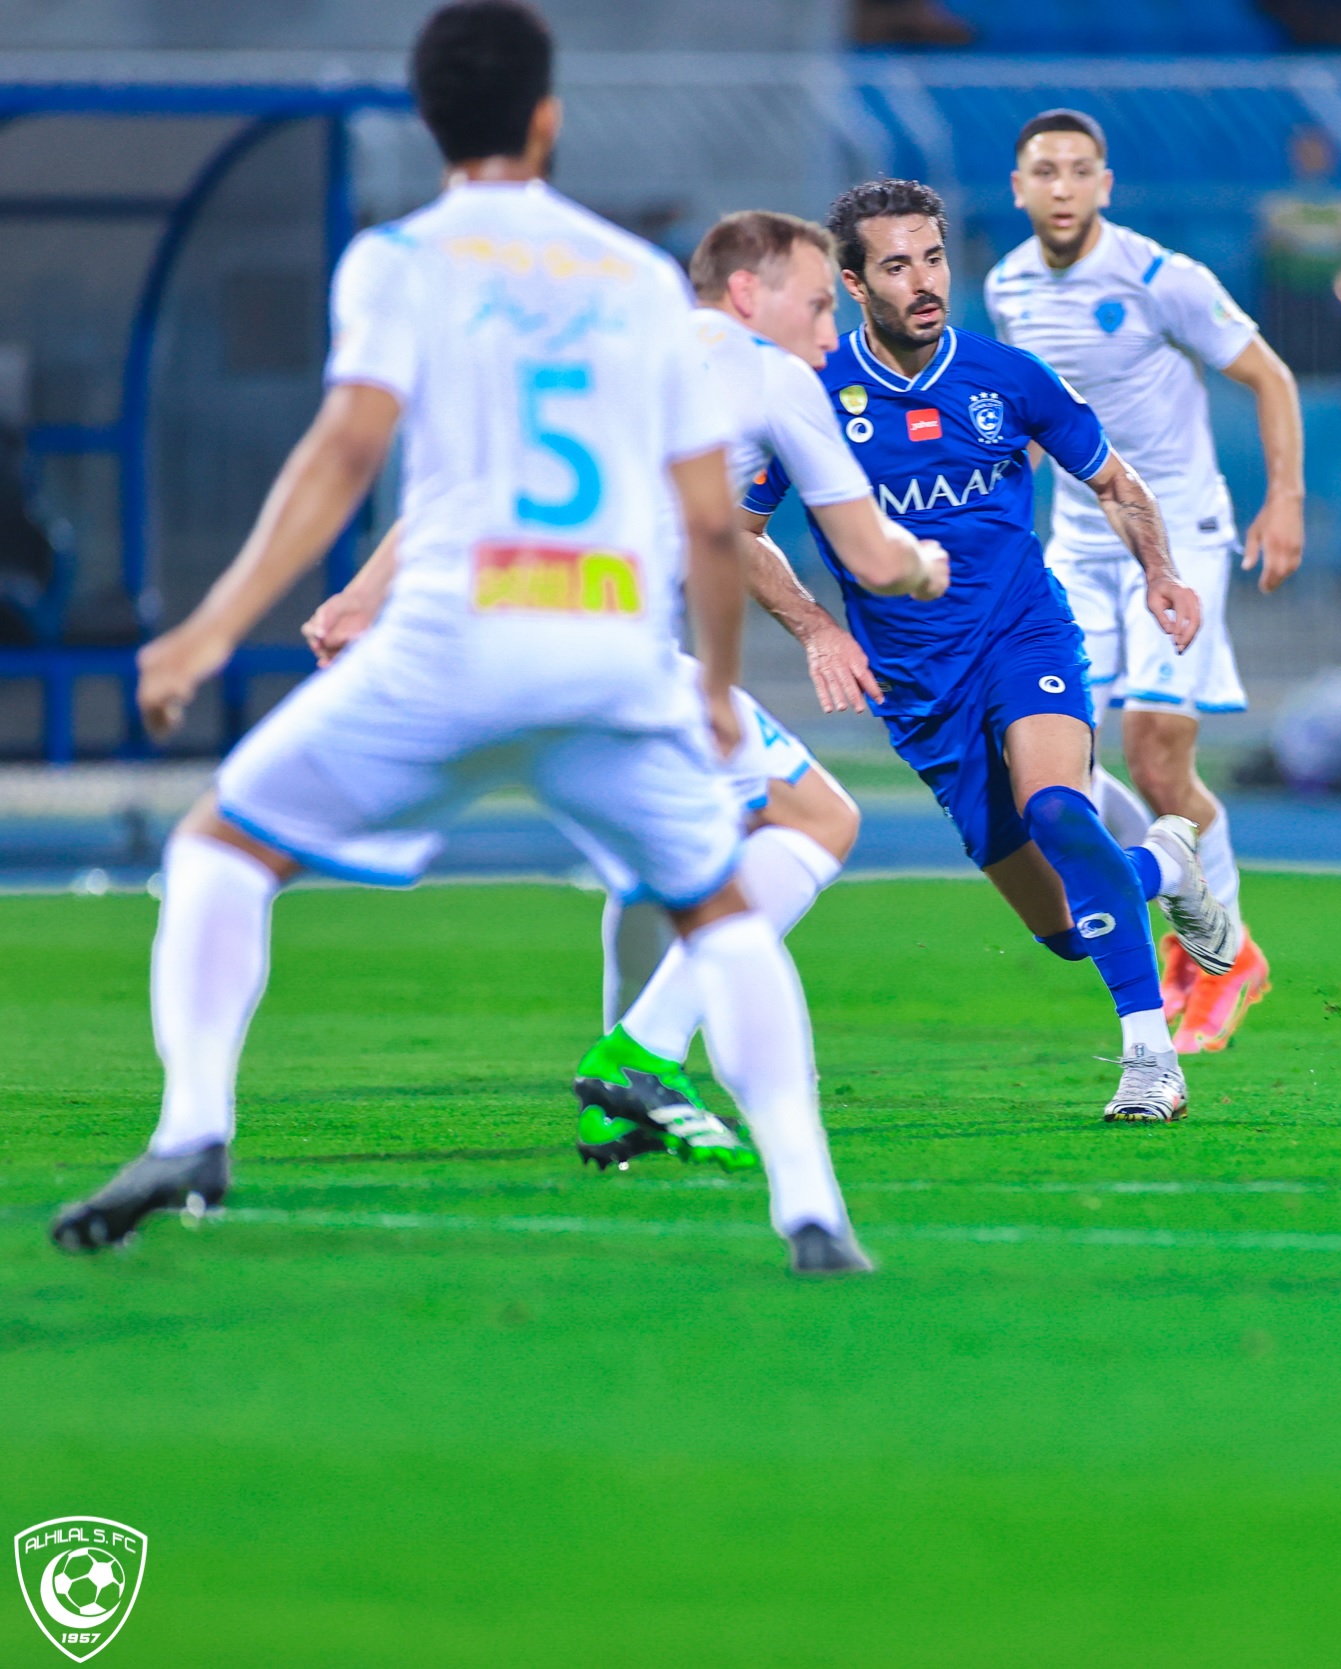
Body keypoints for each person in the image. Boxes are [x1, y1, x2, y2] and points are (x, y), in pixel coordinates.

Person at [49, 0, 870, 1274]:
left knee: (220, 845)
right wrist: (711, 686)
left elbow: (348, 453)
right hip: (602, 648)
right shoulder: (633, 277)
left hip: (449, 642)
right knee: (722, 913)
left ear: (430, 120)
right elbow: (712, 523)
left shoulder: (398, 259)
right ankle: (810, 1205)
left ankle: (194, 1124)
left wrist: (212, 627)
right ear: (549, 118)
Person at [305, 209, 950, 1174]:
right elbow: (866, 549)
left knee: (666, 853)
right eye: (819, 305)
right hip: (608, 648)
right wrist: (922, 566)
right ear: (748, 293)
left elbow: (475, 482)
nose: (830, 333)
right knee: (820, 822)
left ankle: (617, 1109)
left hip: (490, 639)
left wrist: (360, 595)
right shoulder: (772, 376)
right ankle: (642, 1054)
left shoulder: (600, 344)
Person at [747, 178, 1237, 1123]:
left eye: (932, 257)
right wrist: (817, 627)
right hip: (918, 688)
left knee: (1058, 806)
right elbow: (737, 530)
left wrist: (1162, 574)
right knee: (1066, 926)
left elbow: (1115, 480)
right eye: (896, 265)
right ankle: (1167, 866)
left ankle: (1151, 1060)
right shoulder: (811, 399)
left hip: (1024, 633)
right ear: (854, 282)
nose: (924, 281)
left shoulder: (1008, 379)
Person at [984, 107, 1304, 1053]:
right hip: (1078, 546)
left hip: (1183, 534)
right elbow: (1034, 425)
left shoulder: (1162, 278)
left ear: (1106, 185)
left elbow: (1273, 377)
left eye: (1080, 170)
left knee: (1158, 754)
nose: (1063, 187)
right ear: (1018, 187)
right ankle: (1180, 911)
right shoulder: (1005, 288)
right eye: (1045, 170)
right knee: (1052, 765)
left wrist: (1282, 498)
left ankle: (1225, 952)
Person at [1255, 127, 1341, 377]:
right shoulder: (1278, 202)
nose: (1313, 158)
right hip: (1291, 294)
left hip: (1334, 294)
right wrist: (1324, 240)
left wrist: (1304, 239)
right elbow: (1275, 241)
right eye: (1306, 151)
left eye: (1318, 151)